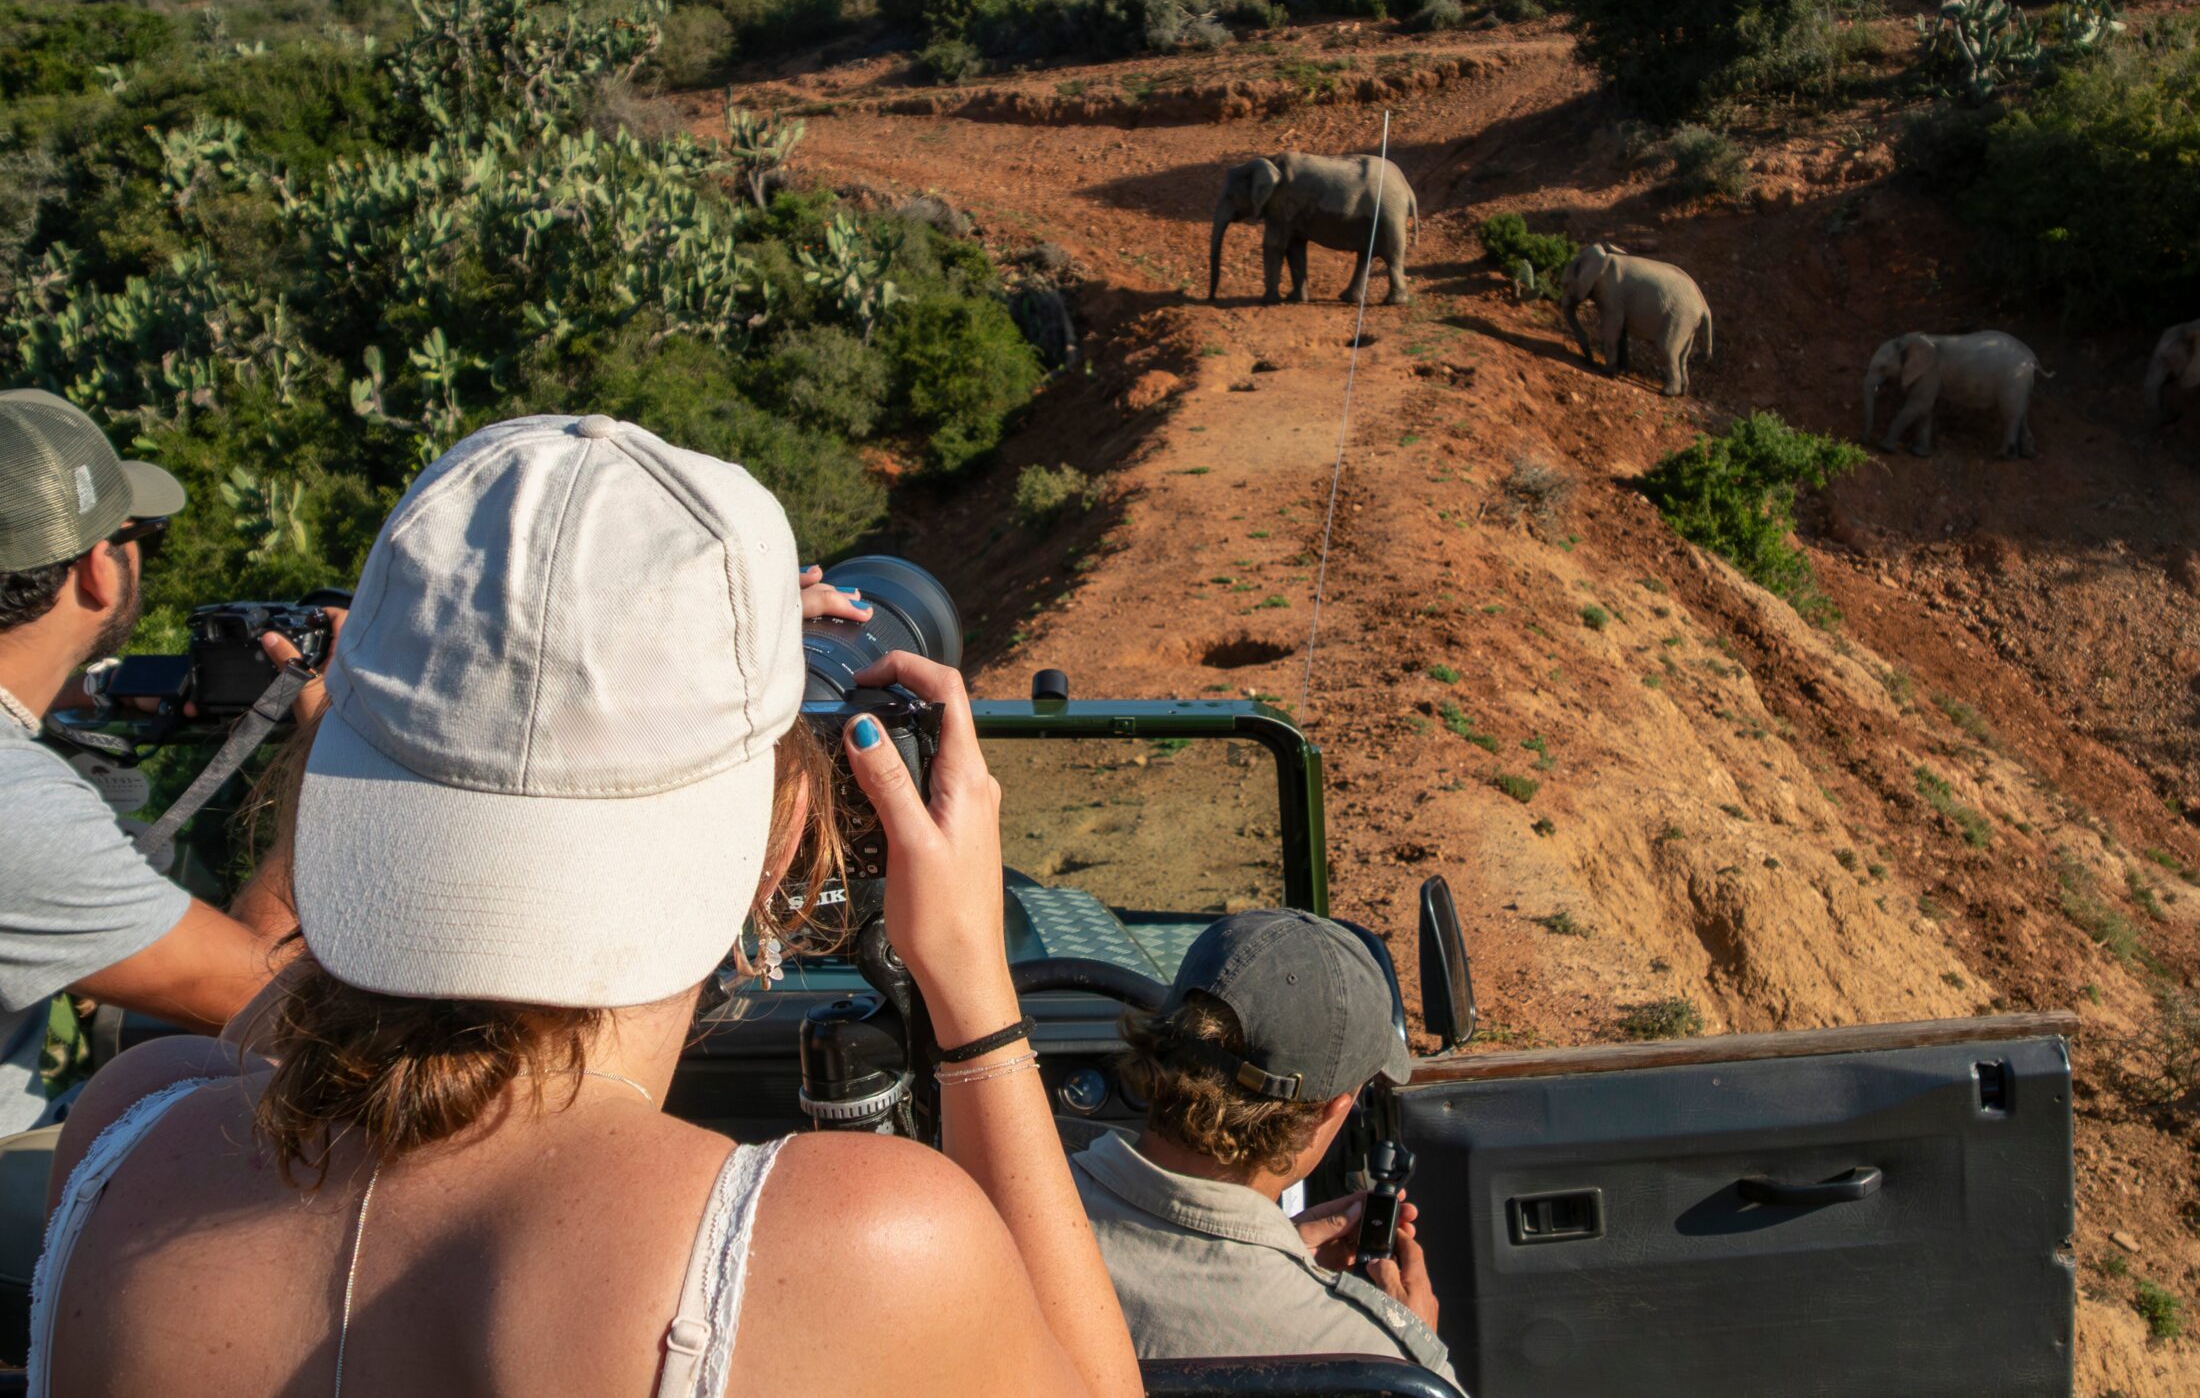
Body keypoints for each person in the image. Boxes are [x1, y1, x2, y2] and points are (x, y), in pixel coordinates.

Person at [25, 413, 1142, 1398]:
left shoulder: (128, 1136)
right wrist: (973, 993)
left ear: (331, 781)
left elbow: (314, 1026)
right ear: (787, 836)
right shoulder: (850, 1244)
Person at [0, 388, 319, 1133]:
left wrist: (90, 689)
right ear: (97, 570)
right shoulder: (20, 807)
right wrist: (316, 751)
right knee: (224, 1117)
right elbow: (267, 998)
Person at [1073, 910, 1465, 1391]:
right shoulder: (1376, 1362)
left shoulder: (999, 1217)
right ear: (1330, 1112)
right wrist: (1412, 1343)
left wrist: (1279, 1252)